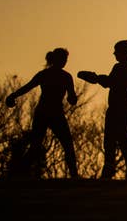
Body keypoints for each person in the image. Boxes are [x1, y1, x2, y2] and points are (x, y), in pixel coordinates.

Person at [5, 48, 79, 178]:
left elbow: (72, 97)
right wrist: (13, 96)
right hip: (50, 113)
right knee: (61, 145)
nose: (64, 62)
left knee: (44, 145)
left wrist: (13, 96)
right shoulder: (59, 76)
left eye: (65, 60)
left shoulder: (57, 76)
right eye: (63, 59)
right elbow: (28, 87)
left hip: (48, 112)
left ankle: (74, 176)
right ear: (56, 60)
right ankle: (74, 176)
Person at [77, 40, 127, 180]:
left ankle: (115, 171)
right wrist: (97, 78)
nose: (114, 53)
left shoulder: (121, 68)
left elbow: (110, 82)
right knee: (121, 142)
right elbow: (110, 82)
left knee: (114, 141)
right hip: (122, 109)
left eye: (116, 51)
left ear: (123, 52)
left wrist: (95, 77)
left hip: (118, 109)